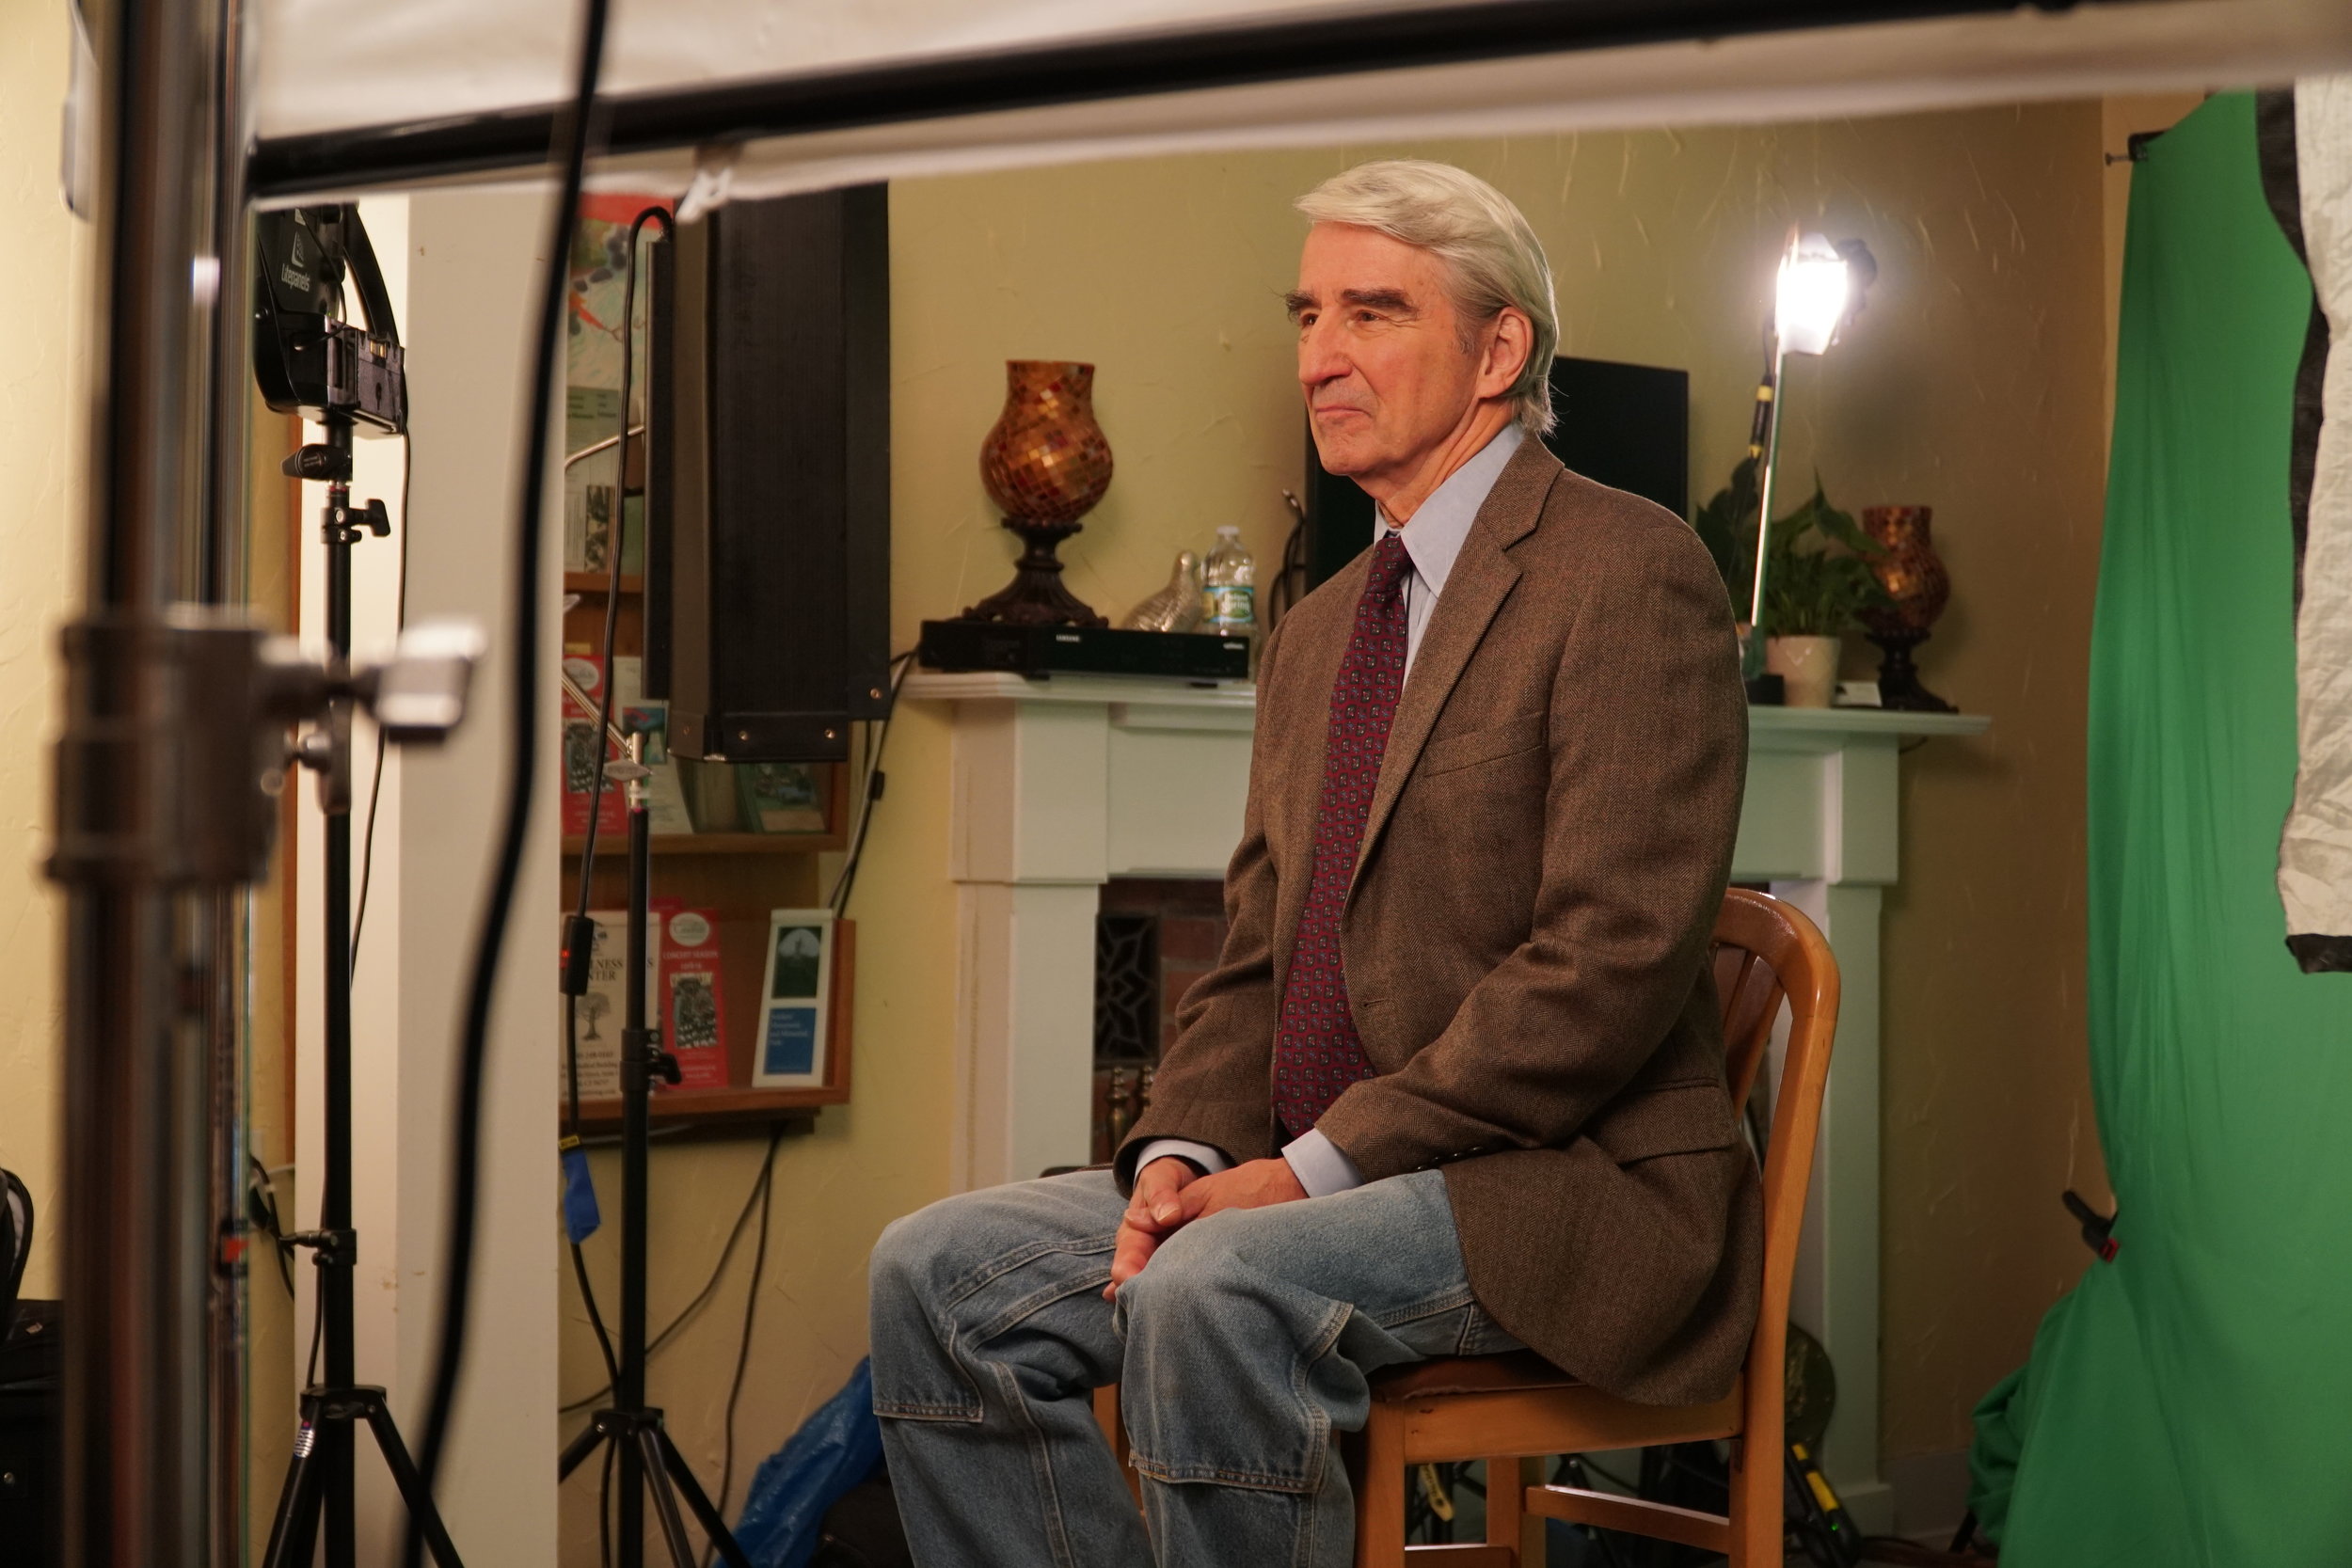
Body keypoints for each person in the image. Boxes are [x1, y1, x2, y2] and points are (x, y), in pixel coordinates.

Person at [868, 159, 1753, 1568]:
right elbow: (1255, 956)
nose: (1320, 357)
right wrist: (1180, 1152)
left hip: (1563, 1187)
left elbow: (1610, 963)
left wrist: (1316, 1170)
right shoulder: (1322, 626)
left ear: (1499, 347)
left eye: (1373, 313)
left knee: (1211, 1288)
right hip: (1308, 1173)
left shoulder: (1628, 571)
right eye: (1307, 317)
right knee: (938, 1276)